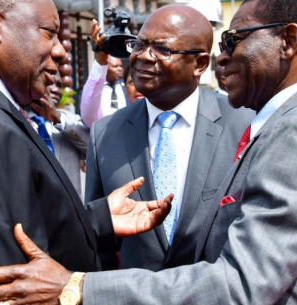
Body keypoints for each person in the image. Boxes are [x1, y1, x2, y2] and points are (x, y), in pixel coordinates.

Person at [0, 0, 297, 304]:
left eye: (234, 39)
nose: (226, 56)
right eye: (139, 44)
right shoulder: (288, 125)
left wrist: (78, 288)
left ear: (288, 40)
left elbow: (242, 283)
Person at [0, 0, 173, 304]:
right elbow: (23, 286)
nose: (60, 51)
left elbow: (17, 227)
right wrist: (81, 291)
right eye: (48, 33)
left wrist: (97, 219)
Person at [85, 5, 253, 271]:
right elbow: (96, 241)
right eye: (139, 45)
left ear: (199, 63)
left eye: (162, 49)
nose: (143, 57)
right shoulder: (104, 133)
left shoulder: (244, 125)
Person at [28, 71, 89, 198]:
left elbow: (92, 148)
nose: (56, 90)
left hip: (70, 209)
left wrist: (58, 119)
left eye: (59, 85)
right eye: (50, 83)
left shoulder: (70, 120)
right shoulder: (19, 119)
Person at [80, 20, 128, 127]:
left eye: (121, 66)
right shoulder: (95, 88)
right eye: (115, 66)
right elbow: (88, 117)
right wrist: (100, 60)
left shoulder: (127, 87)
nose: (120, 69)